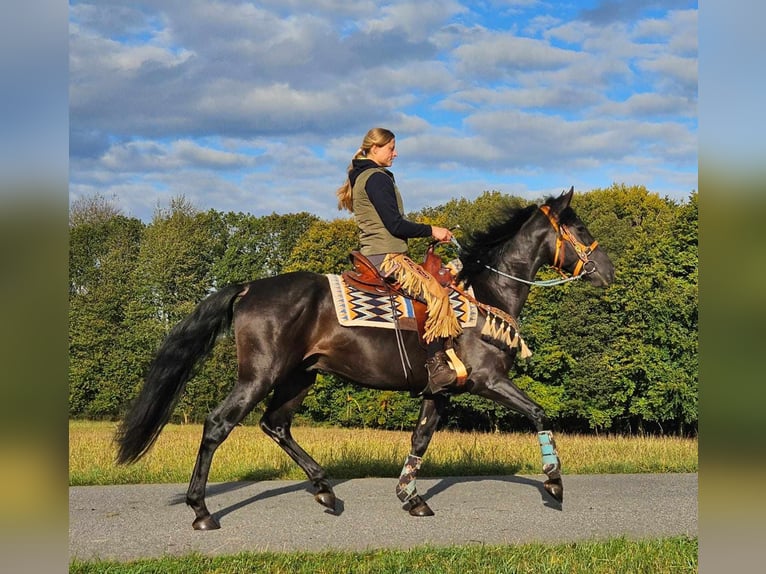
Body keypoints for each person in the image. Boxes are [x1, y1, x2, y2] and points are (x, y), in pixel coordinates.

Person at [336, 127, 468, 396]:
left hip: (376, 253)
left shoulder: (362, 176)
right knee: (438, 295)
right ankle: (436, 366)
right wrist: (433, 230)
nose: (395, 153)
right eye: (390, 148)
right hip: (387, 257)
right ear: (375, 148)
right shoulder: (376, 178)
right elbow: (395, 225)